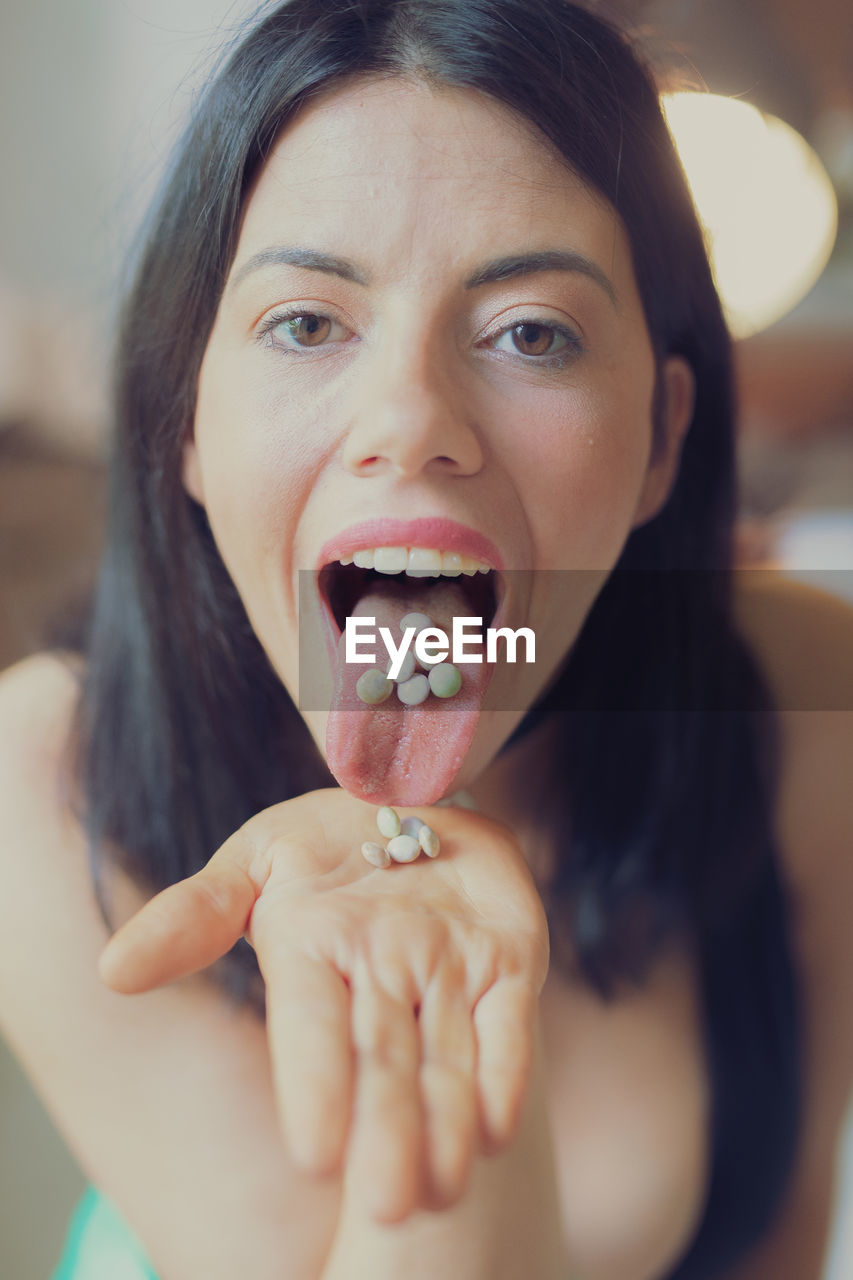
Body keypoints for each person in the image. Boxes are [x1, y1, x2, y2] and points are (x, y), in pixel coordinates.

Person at [1, 1, 852, 1276]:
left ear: (663, 441)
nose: (410, 419)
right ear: (184, 418)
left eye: (530, 333)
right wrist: (432, 987)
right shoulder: (46, 772)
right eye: (306, 322)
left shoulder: (799, 695)